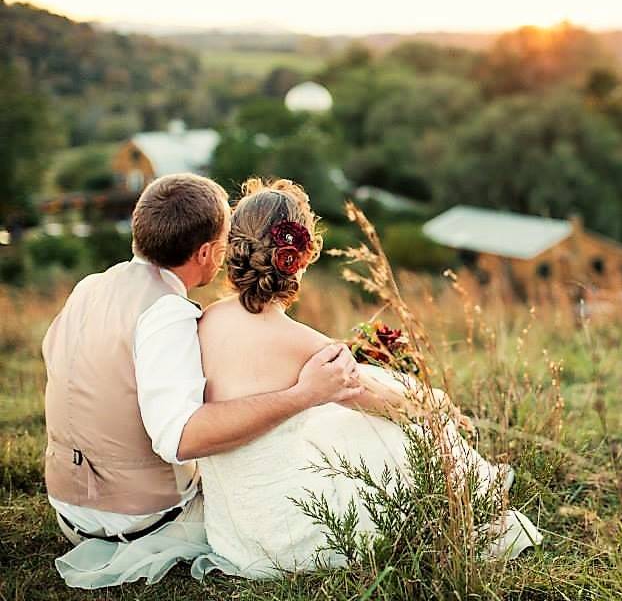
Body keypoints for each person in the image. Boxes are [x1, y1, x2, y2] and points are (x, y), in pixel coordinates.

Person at [194, 178, 542, 577]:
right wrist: (440, 408)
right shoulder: (304, 343)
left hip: (232, 533)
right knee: (400, 421)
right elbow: (394, 408)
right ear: (302, 255)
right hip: (285, 539)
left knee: (344, 414)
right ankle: (473, 492)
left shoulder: (205, 320)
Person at [42, 173, 364, 589]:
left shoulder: (90, 286)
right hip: (133, 516)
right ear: (208, 251)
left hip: (68, 505)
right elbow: (181, 439)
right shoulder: (166, 313)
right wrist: (302, 395)